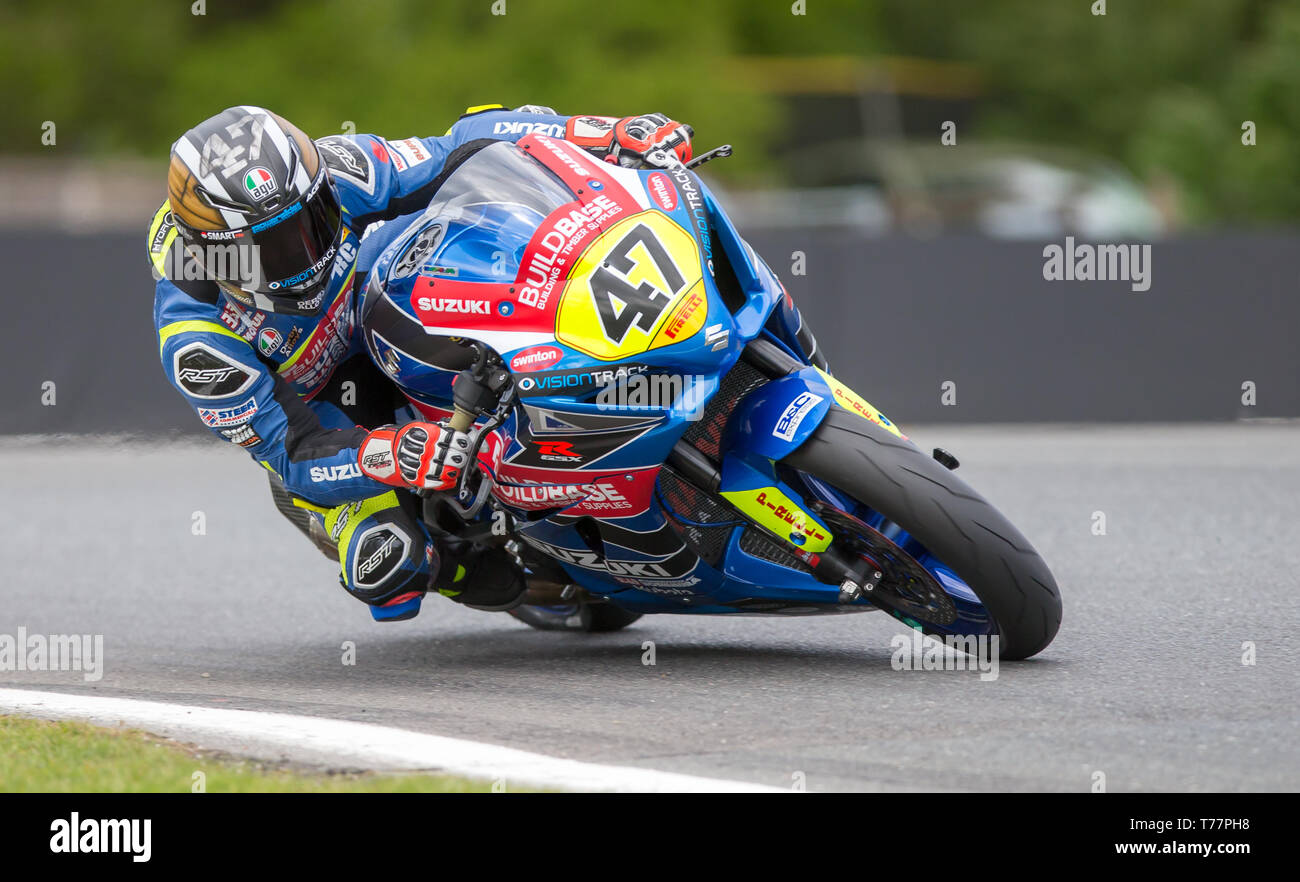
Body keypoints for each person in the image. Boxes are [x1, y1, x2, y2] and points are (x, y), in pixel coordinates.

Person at [149, 104, 692, 620]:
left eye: (313, 221)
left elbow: (464, 143)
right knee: (391, 565)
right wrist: (387, 453)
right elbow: (292, 454)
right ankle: (457, 563)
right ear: (217, 253)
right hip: (328, 418)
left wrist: (603, 132)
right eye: (276, 248)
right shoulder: (198, 341)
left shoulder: (341, 171)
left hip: (389, 309)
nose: (306, 253)